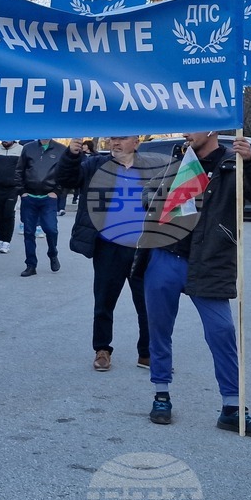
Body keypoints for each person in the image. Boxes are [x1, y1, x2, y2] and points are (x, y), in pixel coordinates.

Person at [143, 131, 251, 438]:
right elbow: (151, 198)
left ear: (212, 130)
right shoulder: (177, 159)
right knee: (159, 330)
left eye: (194, 127)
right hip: (167, 256)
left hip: (210, 261)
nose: (187, 133)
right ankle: (161, 396)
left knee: (222, 332)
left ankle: (232, 408)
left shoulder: (233, 162)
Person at [57, 135, 161, 372]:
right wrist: (71, 156)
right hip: (108, 247)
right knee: (104, 302)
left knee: (147, 304)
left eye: (122, 138)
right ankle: (102, 349)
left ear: (136, 142)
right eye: (113, 138)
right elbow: (66, 179)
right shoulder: (95, 165)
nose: (116, 142)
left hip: (142, 248)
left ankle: (146, 353)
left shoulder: (150, 168)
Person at [15, 138, 66, 276]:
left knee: (51, 229)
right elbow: (19, 170)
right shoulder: (28, 148)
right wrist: (22, 191)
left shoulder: (61, 149)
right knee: (28, 232)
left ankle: (53, 253)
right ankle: (31, 265)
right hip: (29, 197)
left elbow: (64, 174)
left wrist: (56, 192)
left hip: (48, 198)